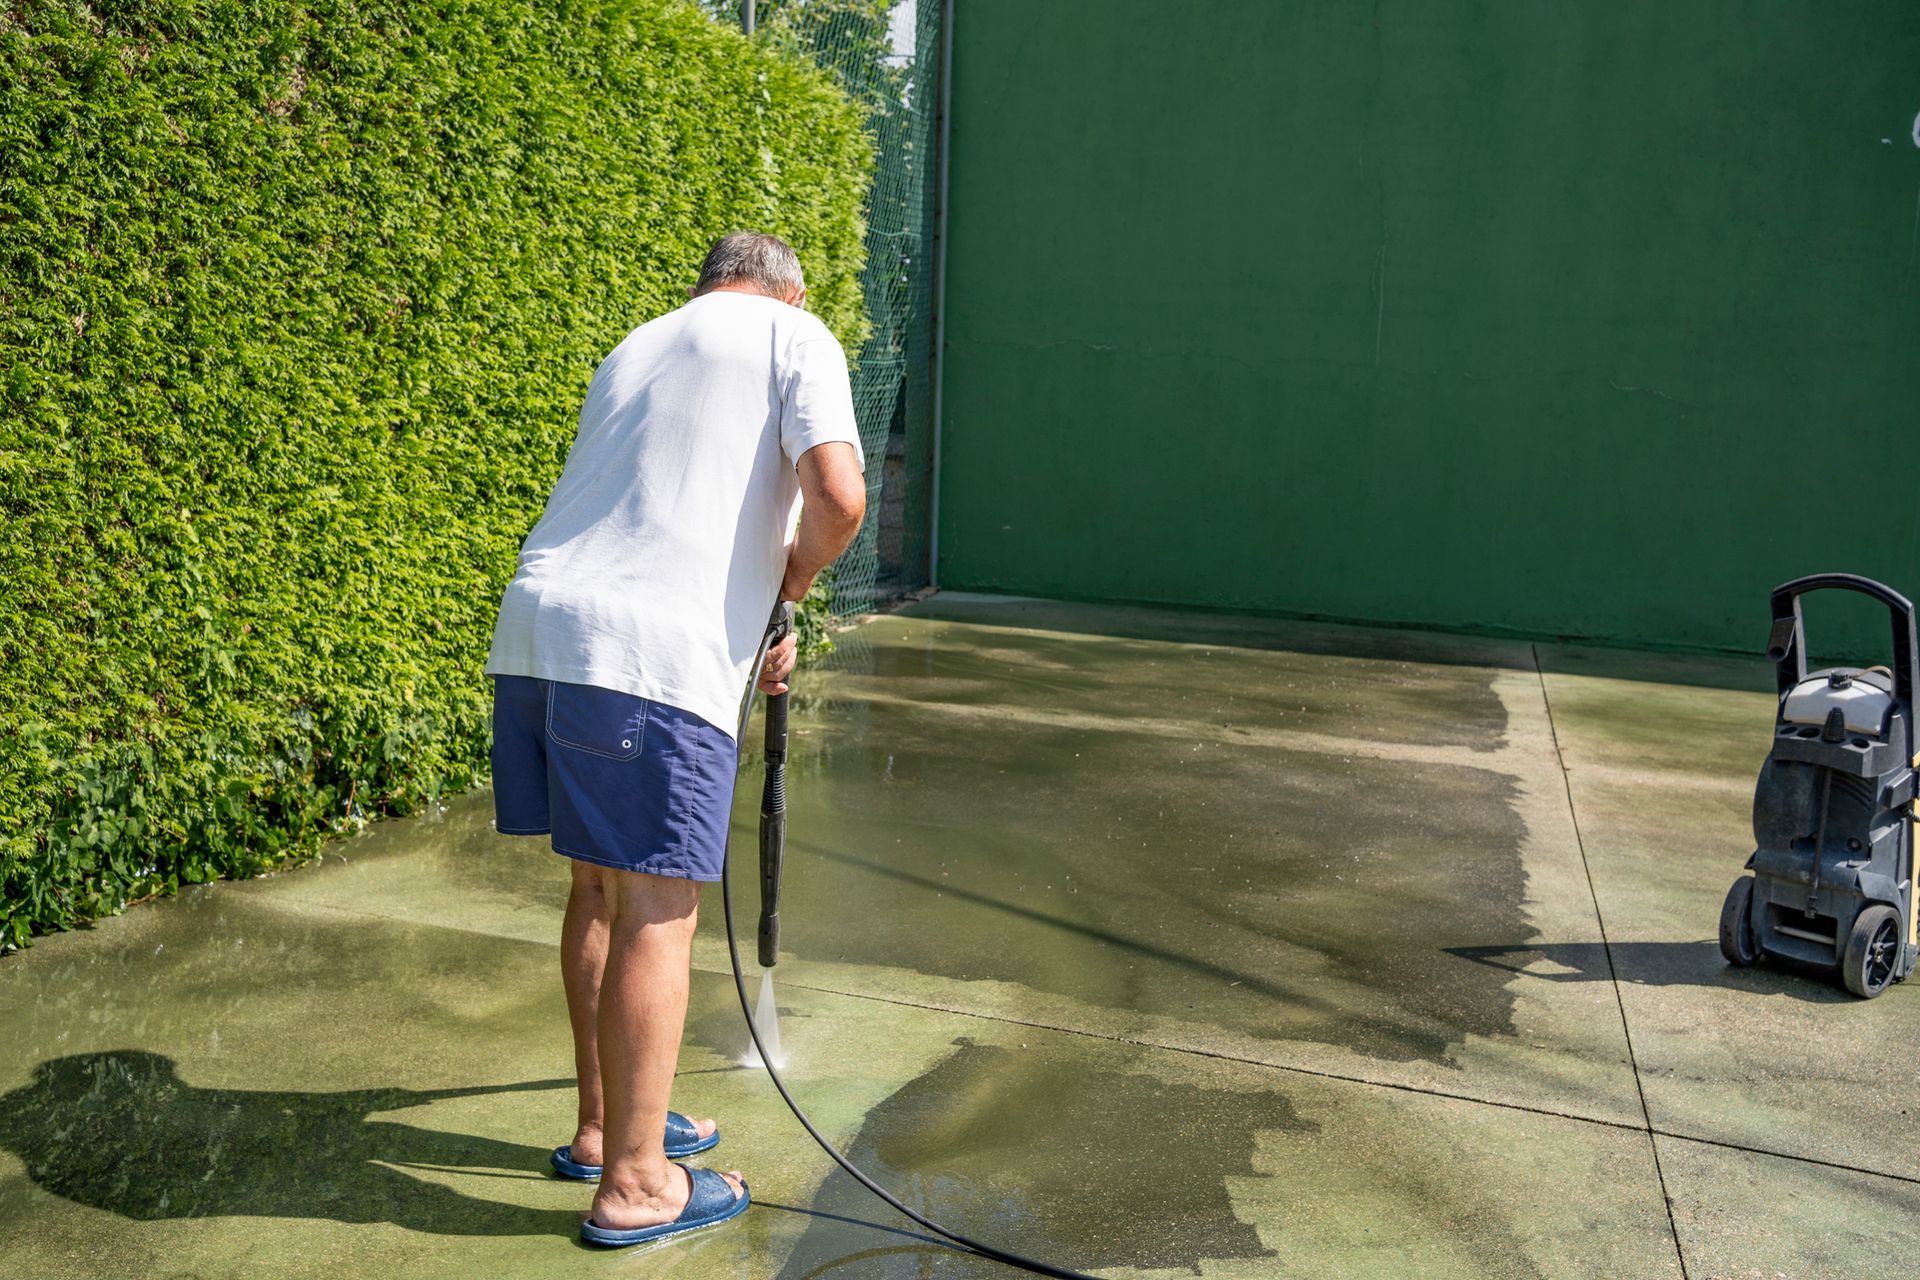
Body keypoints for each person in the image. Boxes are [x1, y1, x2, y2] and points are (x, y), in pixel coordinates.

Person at [483, 232, 866, 1246]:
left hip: (540, 630)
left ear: (706, 285)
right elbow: (838, 497)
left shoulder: (641, 341)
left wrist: (754, 623)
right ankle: (639, 1183)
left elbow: (665, 513)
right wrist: (788, 586)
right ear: (788, 291)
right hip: (648, 657)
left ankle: (605, 1129)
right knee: (657, 900)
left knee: (599, 885)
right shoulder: (795, 336)